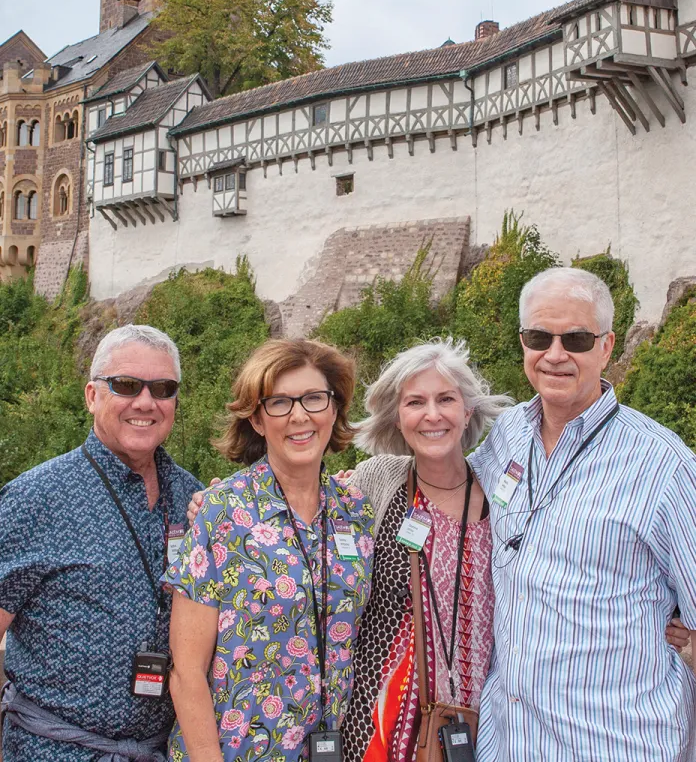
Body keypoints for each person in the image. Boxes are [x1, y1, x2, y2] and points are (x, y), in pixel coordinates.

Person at [469, 266, 696, 761]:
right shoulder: (508, 433)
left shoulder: (664, 465)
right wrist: (371, 482)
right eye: (538, 337)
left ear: (607, 346)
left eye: (575, 338)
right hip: (510, 740)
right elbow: (449, 488)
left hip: (615, 743)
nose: (554, 355)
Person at [163, 338, 374, 762]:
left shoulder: (356, 512)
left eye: (314, 398)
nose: (299, 416)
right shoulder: (222, 513)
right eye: (279, 403)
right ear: (258, 420)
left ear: (334, 409)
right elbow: (186, 672)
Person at [0, 323, 203, 762]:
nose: (146, 402)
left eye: (163, 388)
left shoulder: (193, 498)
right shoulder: (35, 498)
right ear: (92, 395)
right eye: (126, 385)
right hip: (51, 750)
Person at [337, 339, 509, 762]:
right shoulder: (377, 479)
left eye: (446, 399)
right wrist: (224, 505)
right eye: (415, 402)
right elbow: (307, 519)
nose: (432, 415)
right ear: (398, 418)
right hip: (377, 717)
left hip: (481, 721)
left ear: (467, 410)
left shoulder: (503, 494)